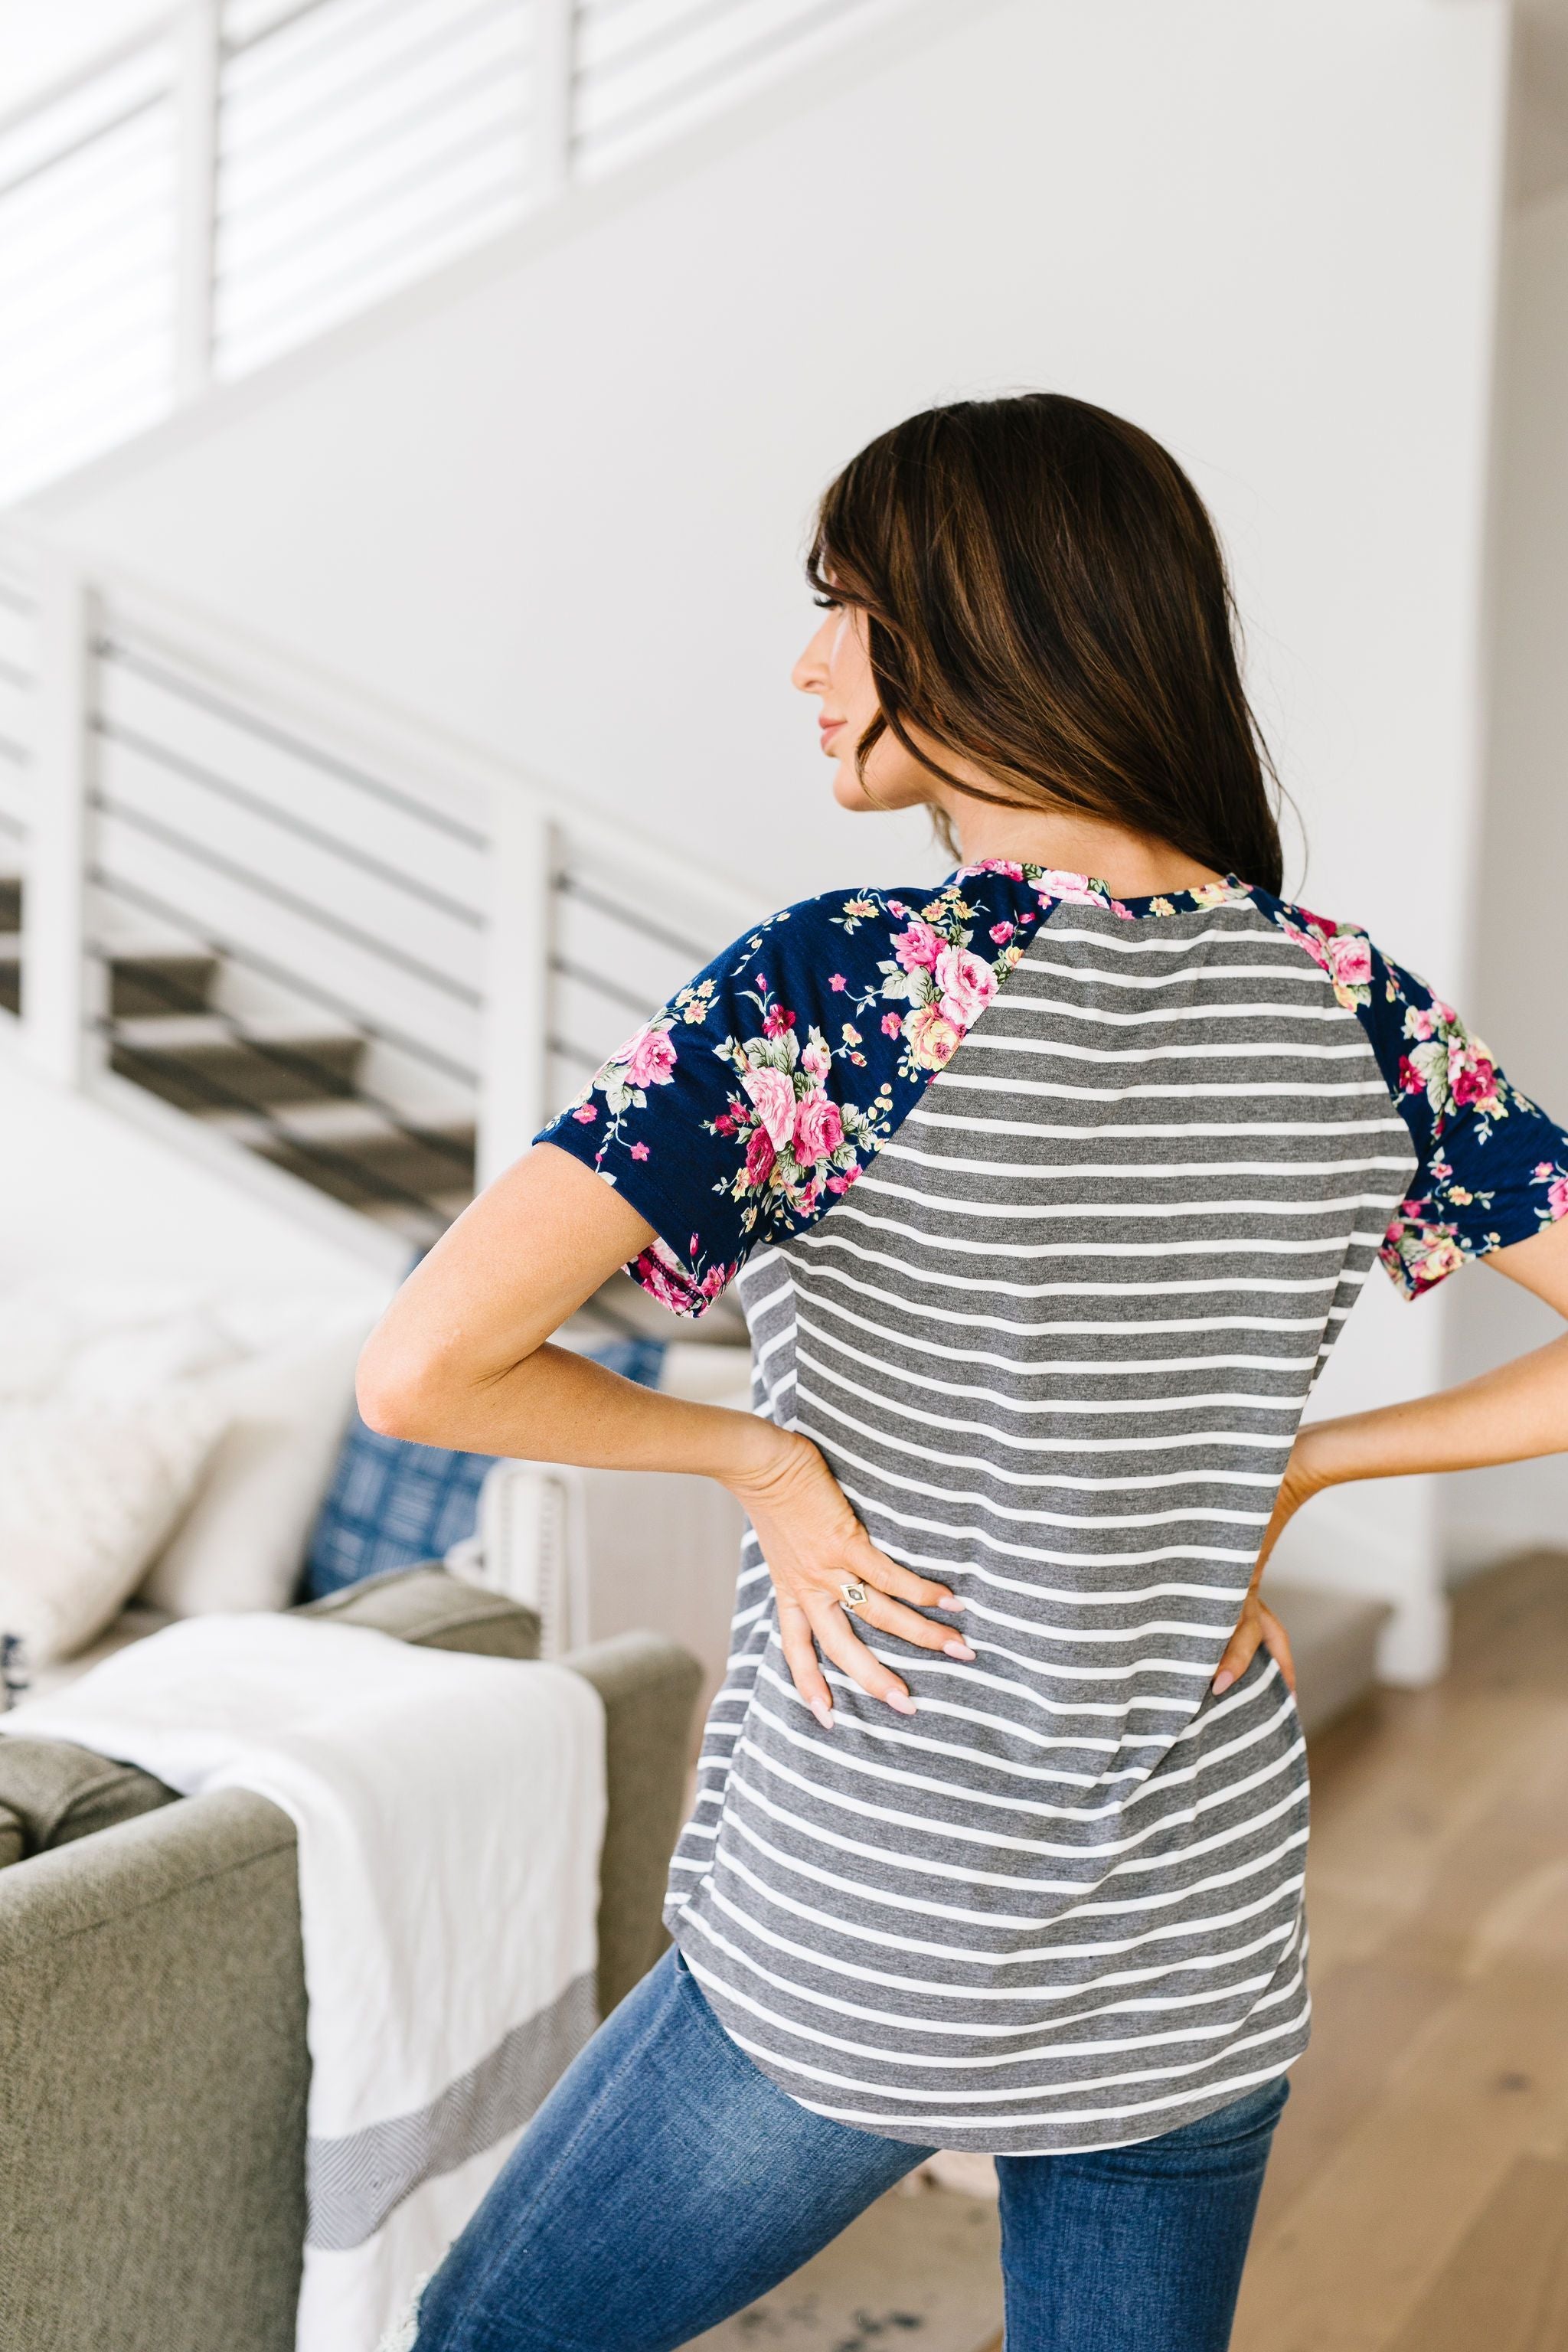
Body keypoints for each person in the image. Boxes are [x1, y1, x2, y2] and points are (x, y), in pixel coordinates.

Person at [359, 394, 1568, 2352]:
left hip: (878, 1918)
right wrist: (1306, 1467)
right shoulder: (1352, 1006)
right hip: (1196, 1939)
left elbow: (425, 1367)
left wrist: (763, 1462)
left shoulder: (845, 991)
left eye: (846, 604)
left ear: (985, 627)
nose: (807, 659)